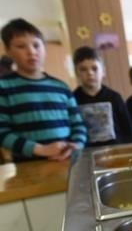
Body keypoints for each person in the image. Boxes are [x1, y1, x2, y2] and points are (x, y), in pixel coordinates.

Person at [0, 18, 86, 162]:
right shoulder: (4, 87)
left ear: (44, 48)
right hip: (28, 168)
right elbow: (2, 133)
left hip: (66, 161)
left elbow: (78, 125)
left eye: (36, 45)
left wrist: (76, 145)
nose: (31, 51)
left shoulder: (62, 87)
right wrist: (41, 150)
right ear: (8, 51)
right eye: (21, 46)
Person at [73, 46, 132, 147]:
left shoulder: (114, 97)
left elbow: (127, 129)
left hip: (116, 151)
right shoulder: (73, 99)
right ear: (77, 73)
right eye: (83, 69)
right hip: (86, 154)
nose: (90, 73)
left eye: (94, 68)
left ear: (103, 71)